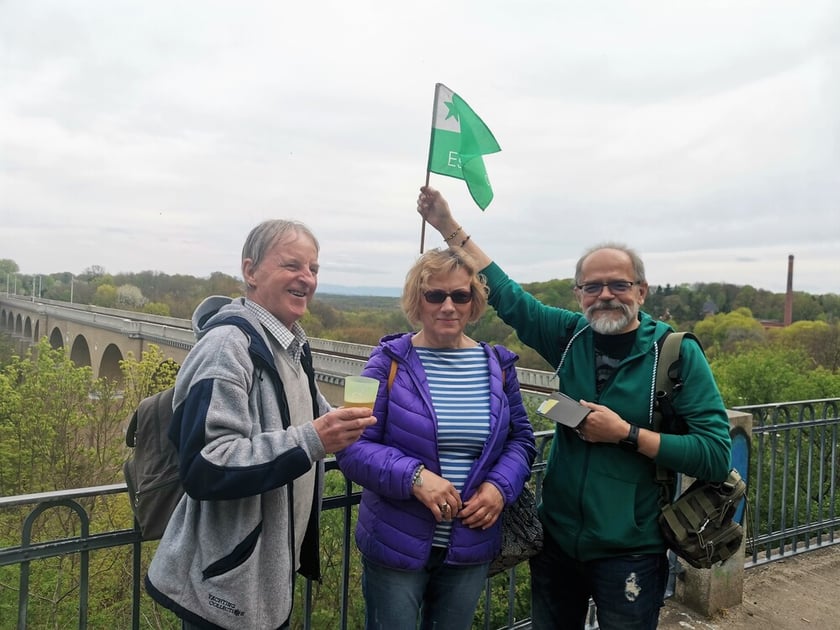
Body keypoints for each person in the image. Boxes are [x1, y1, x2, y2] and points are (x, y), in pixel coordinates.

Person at [416, 187, 732, 630]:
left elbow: (716, 454)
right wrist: (448, 226)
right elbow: (509, 296)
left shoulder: (675, 354)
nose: (606, 295)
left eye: (619, 285)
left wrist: (627, 434)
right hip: (557, 543)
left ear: (641, 291)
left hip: (630, 550)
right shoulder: (571, 337)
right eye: (593, 286)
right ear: (579, 292)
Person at [145, 220, 376, 630]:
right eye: (292, 265)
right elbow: (205, 465)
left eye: (314, 268)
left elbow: (321, 420)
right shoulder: (226, 347)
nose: (306, 278)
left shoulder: (291, 346)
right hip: (225, 582)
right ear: (250, 271)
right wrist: (314, 439)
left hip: (266, 576)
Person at [336, 247, 536, 630]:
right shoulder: (387, 361)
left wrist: (499, 488)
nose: (448, 306)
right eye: (435, 295)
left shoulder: (498, 366)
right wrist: (414, 477)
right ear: (418, 300)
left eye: (460, 295)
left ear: (473, 302)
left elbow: (521, 441)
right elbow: (352, 446)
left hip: (470, 543)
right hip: (397, 541)